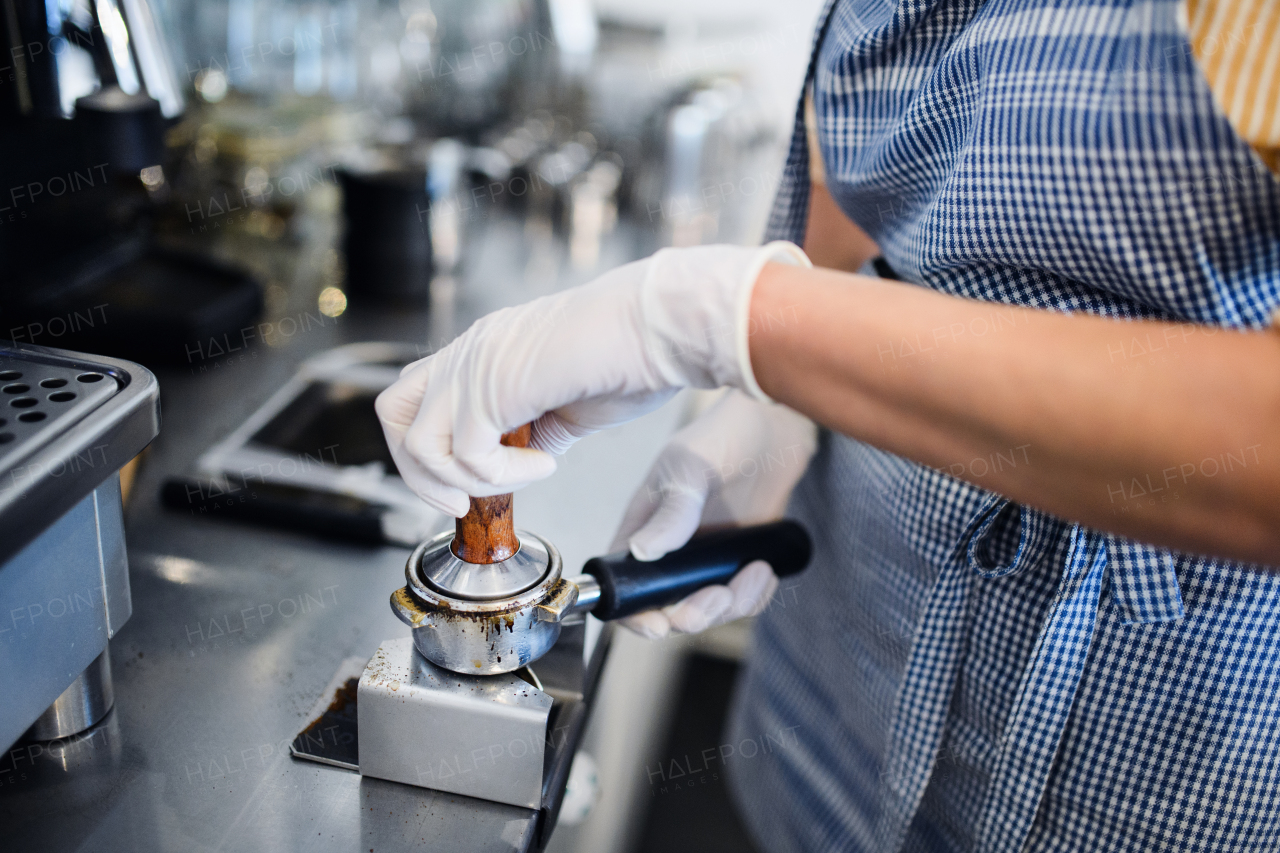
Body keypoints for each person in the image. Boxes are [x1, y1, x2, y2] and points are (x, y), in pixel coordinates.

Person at [376, 0, 1280, 849]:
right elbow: (888, 140)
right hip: (836, 655)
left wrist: (729, 325)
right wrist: (777, 404)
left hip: (1141, 737)